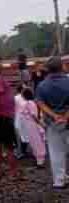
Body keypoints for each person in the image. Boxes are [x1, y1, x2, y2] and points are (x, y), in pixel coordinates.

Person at [36, 56, 69, 189]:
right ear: (61, 67)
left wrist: (54, 116)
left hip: (52, 124)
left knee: (56, 152)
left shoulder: (42, 85)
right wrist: (65, 116)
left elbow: (40, 103)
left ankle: (59, 181)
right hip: (68, 122)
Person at [20, 88, 46, 167]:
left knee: (36, 142)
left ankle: (40, 161)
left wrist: (40, 124)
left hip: (31, 124)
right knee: (35, 141)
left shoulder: (29, 103)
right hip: (30, 124)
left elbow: (34, 116)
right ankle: (39, 160)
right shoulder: (30, 103)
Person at [14, 85, 28, 159]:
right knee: (23, 135)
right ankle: (21, 152)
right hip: (23, 119)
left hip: (19, 118)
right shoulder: (18, 98)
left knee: (21, 136)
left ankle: (21, 152)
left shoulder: (16, 98)